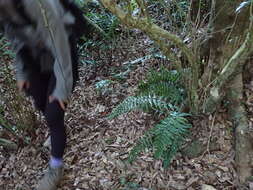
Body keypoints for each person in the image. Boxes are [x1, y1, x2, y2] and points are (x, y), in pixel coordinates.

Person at [0, 0, 89, 189]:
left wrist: (61, 91)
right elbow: (16, 39)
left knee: (54, 112)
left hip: (61, 49)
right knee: (39, 98)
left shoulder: (36, 3)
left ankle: (56, 167)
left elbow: (60, 45)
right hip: (34, 54)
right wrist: (23, 72)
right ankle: (55, 129)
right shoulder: (4, 10)